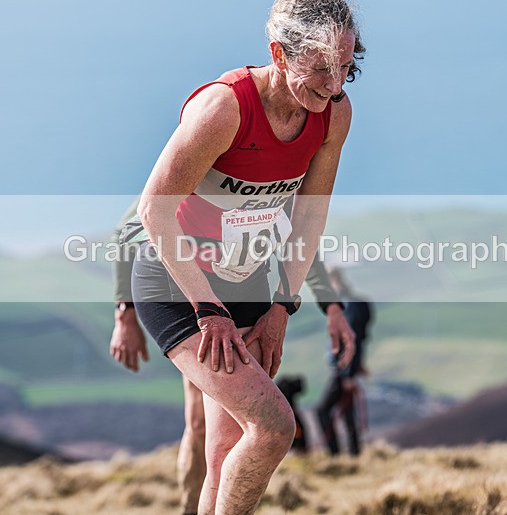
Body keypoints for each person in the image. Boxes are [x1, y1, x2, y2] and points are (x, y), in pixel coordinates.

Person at [120, 0, 364, 511]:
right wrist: (207, 309)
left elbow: (309, 217)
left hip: (252, 284)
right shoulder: (223, 108)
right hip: (178, 285)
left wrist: (283, 304)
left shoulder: (334, 114)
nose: (335, 83)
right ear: (279, 53)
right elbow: (152, 211)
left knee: (228, 447)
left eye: (347, 65)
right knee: (273, 428)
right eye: (320, 67)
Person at [109, 196, 354, 514]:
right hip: (191, 304)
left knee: (237, 429)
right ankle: (189, 506)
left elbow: (299, 242)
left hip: (243, 301)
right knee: (199, 423)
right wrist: (124, 313)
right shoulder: (194, 165)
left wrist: (331, 306)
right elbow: (126, 230)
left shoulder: (277, 180)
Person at [316, 267, 373, 457]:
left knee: (323, 411)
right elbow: (360, 339)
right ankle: (353, 454)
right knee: (347, 412)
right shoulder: (353, 303)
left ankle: (335, 453)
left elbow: (351, 341)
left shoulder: (346, 306)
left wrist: (348, 373)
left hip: (342, 369)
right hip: (346, 368)